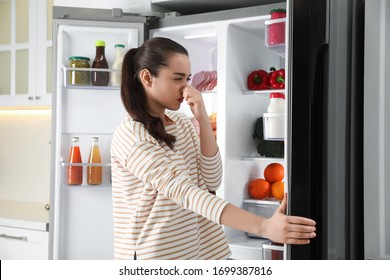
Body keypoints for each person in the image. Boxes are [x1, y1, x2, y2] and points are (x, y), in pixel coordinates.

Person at [110, 37, 316, 260]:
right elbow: (185, 193)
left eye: (187, 79)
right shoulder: (132, 136)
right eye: (177, 79)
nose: (186, 87)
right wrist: (265, 227)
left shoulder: (180, 122)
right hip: (158, 255)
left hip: (207, 250)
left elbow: (211, 181)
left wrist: (202, 120)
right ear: (148, 78)